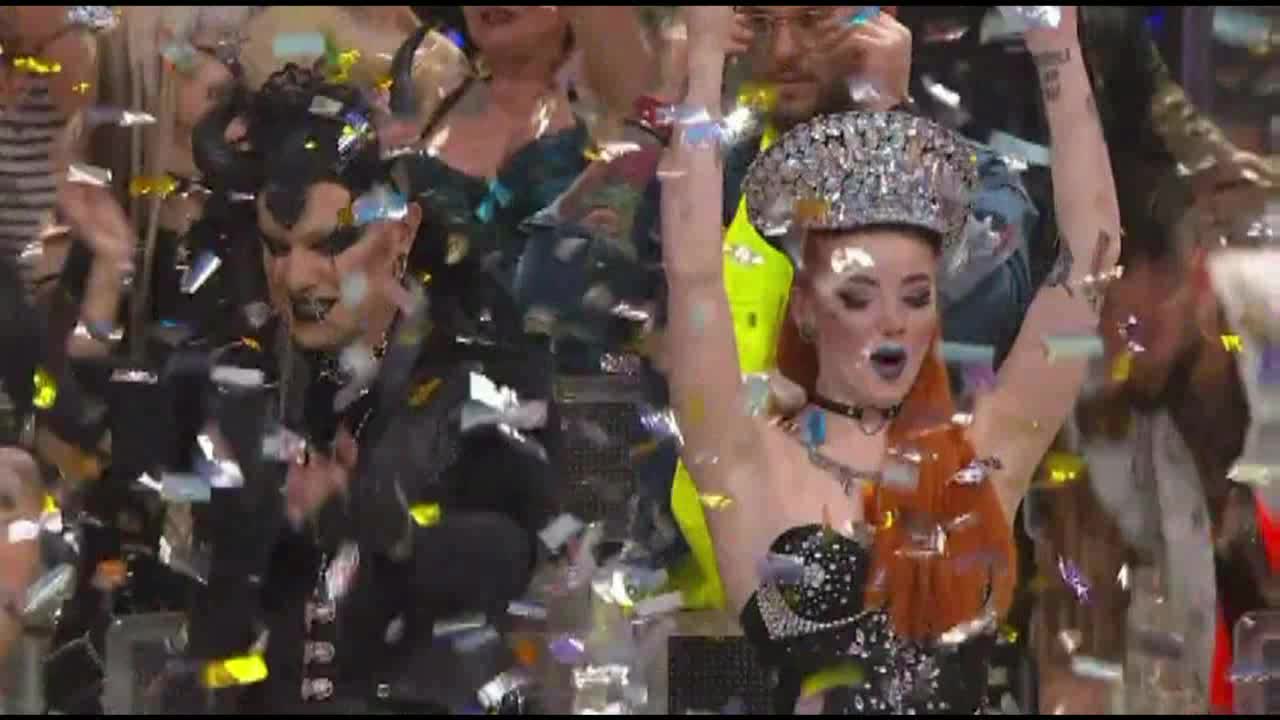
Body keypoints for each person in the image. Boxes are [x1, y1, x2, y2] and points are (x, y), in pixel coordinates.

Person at [658, 5, 1117, 713]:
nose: (892, 324)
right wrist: (704, 61)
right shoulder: (748, 460)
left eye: (915, 296)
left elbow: (1090, 264)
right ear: (804, 309)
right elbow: (691, 272)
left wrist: (1059, 49)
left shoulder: (981, 461)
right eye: (858, 296)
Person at [639, 5, 1042, 612]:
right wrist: (673, 110)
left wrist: (889, 128)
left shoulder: (973, 180)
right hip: (709, 614)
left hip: (892, 606)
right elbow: (581, 296)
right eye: (760, 23)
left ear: (879, 20)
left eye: (811, 21)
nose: (782, 53)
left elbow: (978, 314)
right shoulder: (724, 165)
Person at [184, 63, 558, 713]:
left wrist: (370, 520)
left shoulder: (483, 372)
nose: (297, 277)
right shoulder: (245, 380)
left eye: (329, 244)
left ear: (400, 232)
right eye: (277, 248)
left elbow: (507, 553)